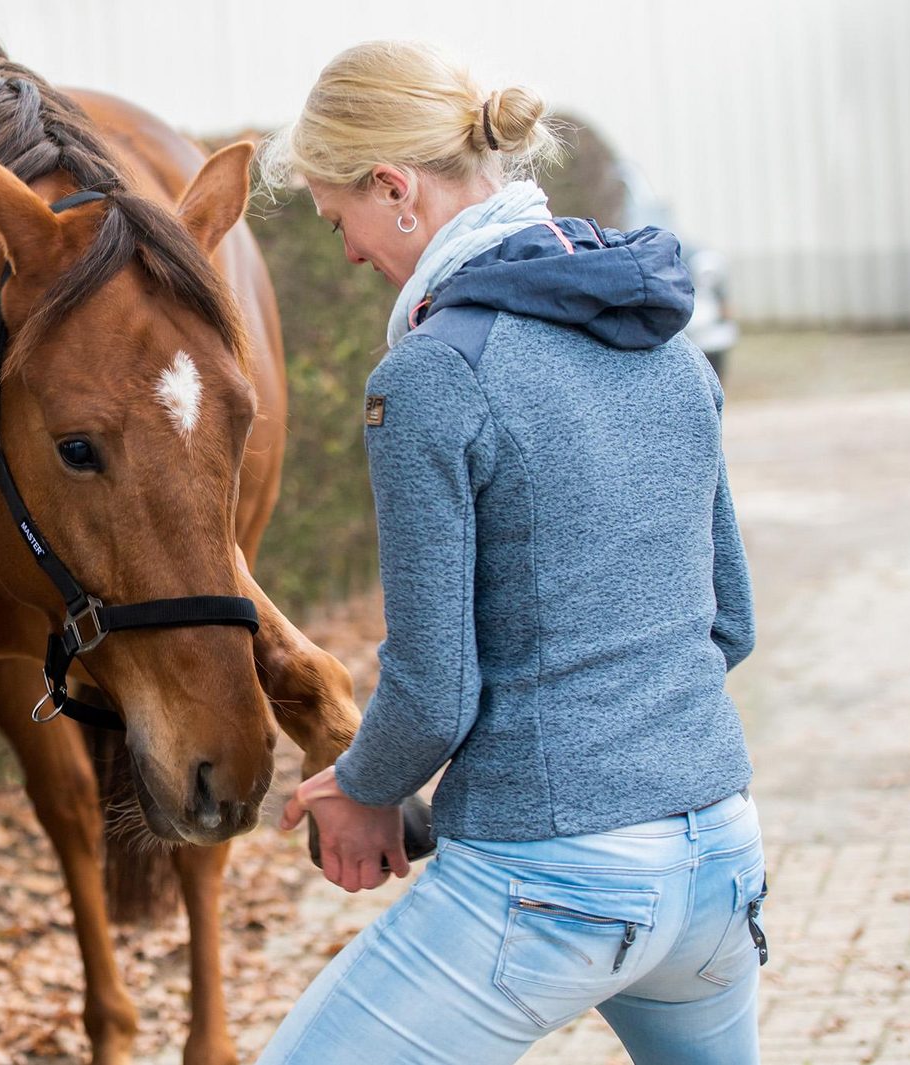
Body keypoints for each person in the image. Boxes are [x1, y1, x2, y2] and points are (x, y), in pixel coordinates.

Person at [255, 40, 766, 1065]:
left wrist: (359, 791)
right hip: (719, 859)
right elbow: (729, 624)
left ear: (395, 189)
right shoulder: (664, 345)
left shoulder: (436, 376)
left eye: (337, 218)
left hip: (555, 881)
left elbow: (435, 687)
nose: (349, 254)